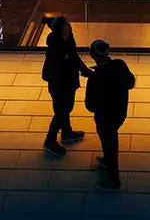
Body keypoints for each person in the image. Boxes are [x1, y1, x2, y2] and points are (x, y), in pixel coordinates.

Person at [85, 39, 136, 190]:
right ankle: (108, 161)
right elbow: (130, 83)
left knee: (110, 146)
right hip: (120, 112)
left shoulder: (95, 78)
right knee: (110, 142)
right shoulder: (120, 65)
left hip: (104, 118)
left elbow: (89, 105)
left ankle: (113, 180)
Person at [41, 17, 92, 157]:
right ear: (60, 29)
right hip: (60, 85)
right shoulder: (55, 48)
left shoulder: (68, 39)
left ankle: (66, 132)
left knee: (65, 108)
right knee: (62, 111)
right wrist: (82, 69)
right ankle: (50, 140)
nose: (70, 25)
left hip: (67, 82)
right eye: (66, 24)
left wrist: (82, 69)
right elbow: (70, 59)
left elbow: (73, 56)